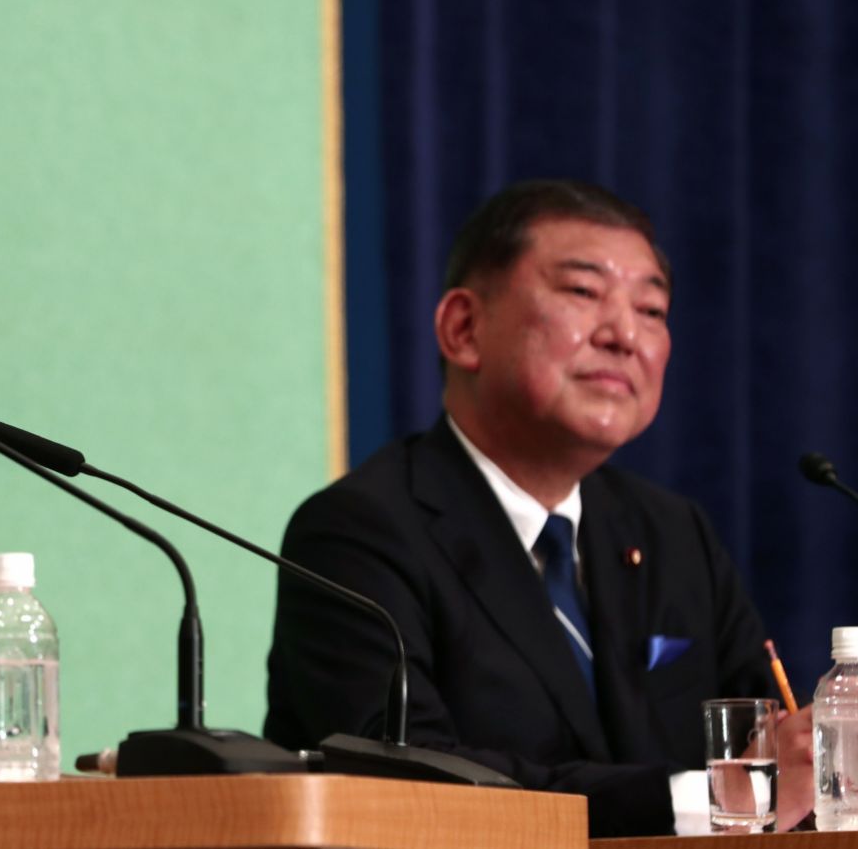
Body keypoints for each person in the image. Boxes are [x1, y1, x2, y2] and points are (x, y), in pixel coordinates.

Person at [266, 179, 825, 836]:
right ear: (463, 328)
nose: (625, 335)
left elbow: (776, 760)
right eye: (584, 293)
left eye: (652, 309)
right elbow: (410, 779)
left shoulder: (675, 535)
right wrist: (708, 799)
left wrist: (823, 768)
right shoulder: (360, 533)